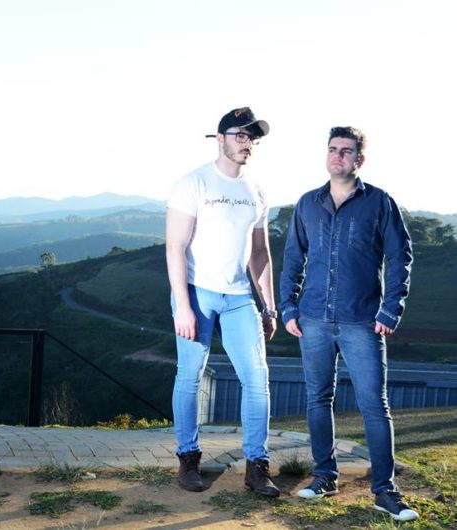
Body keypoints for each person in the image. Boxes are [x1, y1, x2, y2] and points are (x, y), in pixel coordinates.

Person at [279, 126, 418, 521]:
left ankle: (385, 490)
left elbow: (400, 257)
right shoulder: (308, 203)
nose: (338, 156)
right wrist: (288, 309)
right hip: (314, 321)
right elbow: (292, 258)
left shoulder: (379, 202)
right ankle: (324, 476)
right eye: (333, 150)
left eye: (346, 151)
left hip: (363, 321)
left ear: (360, 159)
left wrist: (391, 310)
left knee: (375, 406)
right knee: (318, 399)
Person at [166, 107, 280, 496]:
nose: (247, 143)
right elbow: (175, 247)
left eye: (253, 137)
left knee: (257, 379)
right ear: (220, 139)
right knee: (190, 376)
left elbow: (260, 255)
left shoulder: (257, 192)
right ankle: (188, 458)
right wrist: (182, 305)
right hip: (198, 293)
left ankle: (257, 466)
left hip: (239, 298)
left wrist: (269, 306)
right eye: (241, 135)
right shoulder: (193, 183)